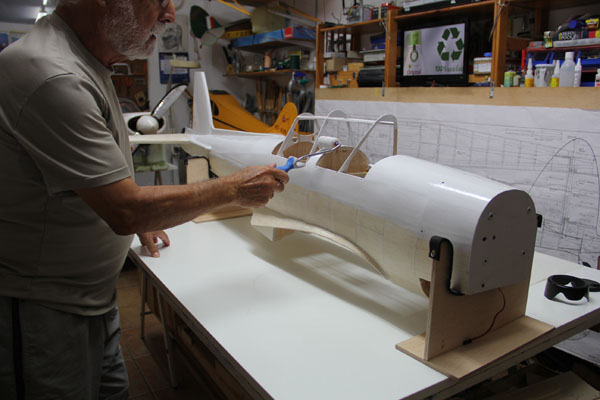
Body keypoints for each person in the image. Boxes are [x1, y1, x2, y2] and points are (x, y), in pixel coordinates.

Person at [0, 0, 289, 399]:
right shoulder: (52, 74)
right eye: (158, 1)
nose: (170, 15)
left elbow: (91, 185)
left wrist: (136, 215)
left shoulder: (87, 63)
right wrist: (233, 189)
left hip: (89, 297)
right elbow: (124, 209)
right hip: (44, 309)